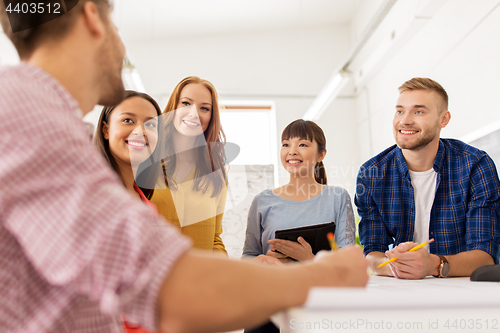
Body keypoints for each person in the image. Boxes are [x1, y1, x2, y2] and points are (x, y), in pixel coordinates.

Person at [0, 1, 369, 332]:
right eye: (116, 21)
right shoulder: (26, 117)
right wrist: (324, 274)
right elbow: (169, 286)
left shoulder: (42, 118)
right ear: (93, 17)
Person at [355, 77, 500, 280]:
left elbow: (486, 256)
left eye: (419, 111)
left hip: (464, 291)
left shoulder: (475, 165)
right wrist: (393, 266)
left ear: (444, 119)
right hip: (402, 292)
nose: (404, 120)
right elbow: (371, 252)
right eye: (399, 111)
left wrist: (434, 265)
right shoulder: (371, 174)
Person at [94, 90, 163, 333]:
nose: (140, 131)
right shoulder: (92, 197)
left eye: (151, 125)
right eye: (128, 120)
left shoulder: (146, 203)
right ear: (105, 129)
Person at [243, 119, 356, 263]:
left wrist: (308, 259)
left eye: (302, 144)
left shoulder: (338, 198)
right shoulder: (262, 201)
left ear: (321, 155)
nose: (292, 151)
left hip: (321, 285)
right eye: (286, 144)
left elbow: (348, 262)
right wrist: (263, 261)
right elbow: (248, 256)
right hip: (274, 284)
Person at [150, 77, 228, 254]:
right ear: (173, 107)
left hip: (200, 278)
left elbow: (215, 238)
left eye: (204, 108)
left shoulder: (216, 174)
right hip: (153, 277)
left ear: (211, 116)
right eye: (186, 103)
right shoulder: (147, 160)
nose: (194, 113)